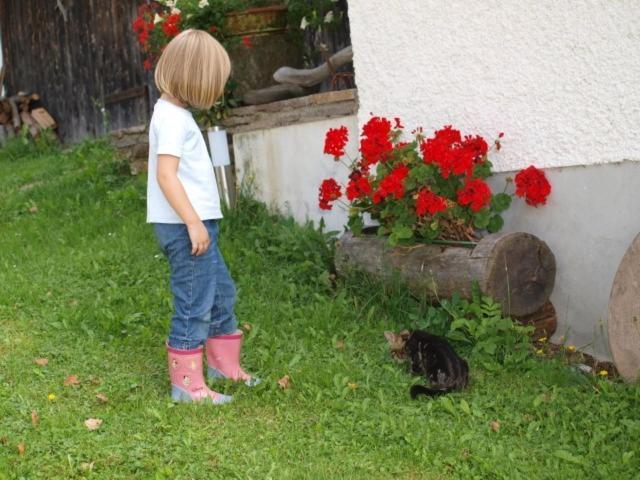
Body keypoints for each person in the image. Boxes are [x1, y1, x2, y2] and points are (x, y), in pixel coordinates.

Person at [147, 29, 258, 404]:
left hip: (196, 224)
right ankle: (187, 386)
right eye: (214, 83)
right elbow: (166, 175)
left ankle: (223, 366)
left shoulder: (175, 113)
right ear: (195, 79)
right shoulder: (173, 119)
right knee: (194, 301)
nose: (216, 91)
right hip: (186, 227)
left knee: (221, 293)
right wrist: (193, 222)